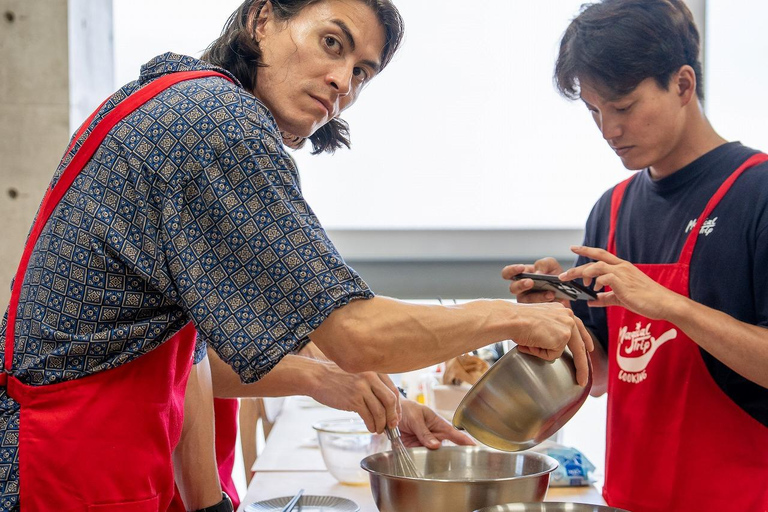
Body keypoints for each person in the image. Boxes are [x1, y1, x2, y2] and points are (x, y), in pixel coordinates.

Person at [0, 0, 593, 510]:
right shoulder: (216, 125)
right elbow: (355, 332)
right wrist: (513, 315)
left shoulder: (173, 101)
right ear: (262, 19)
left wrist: (325, 384)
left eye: (362, 72)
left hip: (87, 453)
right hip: (64, 465)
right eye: (331, 43)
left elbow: (187, 356)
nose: (343, 82)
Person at [503, 1, 768, 511]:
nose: (609, 130)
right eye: (595, 112)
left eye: (623, 107)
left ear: (683, 85)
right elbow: (604, 375)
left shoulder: (757, 193)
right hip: (631, 497)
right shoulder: (613, 209)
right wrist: (556, 316)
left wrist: (669, 304)